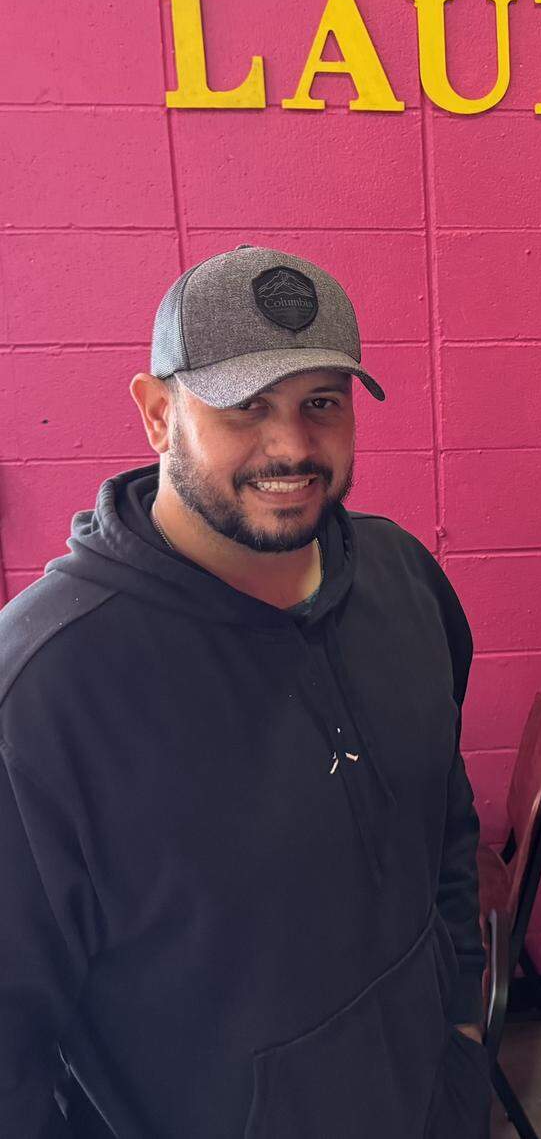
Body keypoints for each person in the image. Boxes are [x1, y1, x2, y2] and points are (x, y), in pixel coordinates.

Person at [0, 245, 491, 1139]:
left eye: (322, 403)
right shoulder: (43, 694)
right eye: (245, 406)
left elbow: (445, 820)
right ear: (157, 413)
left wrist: (458, 1024)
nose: (292, 445)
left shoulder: (402, 577)